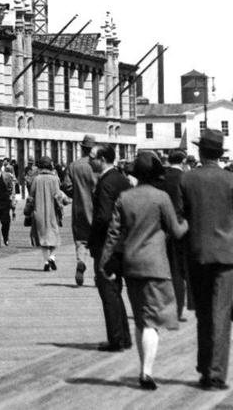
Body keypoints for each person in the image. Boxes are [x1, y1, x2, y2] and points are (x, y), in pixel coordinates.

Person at [180, 125, 233, 392]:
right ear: (219, 154)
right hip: (225, 256)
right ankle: (215, 374)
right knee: (220, 314)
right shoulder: (232, 180)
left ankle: (204, 368)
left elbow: (180, 219)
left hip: (196, 254)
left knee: (203, 314)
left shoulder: (187, 179)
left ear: (200, 152)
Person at [101, 150, 188, 391]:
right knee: (151, 321)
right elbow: (177, 230)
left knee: (140, 318)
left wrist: (105, 263)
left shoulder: (125, 198)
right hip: (156, 264)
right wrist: (186, 222)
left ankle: (143, 367)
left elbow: (113, 234)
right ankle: (146, 372)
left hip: (131, 264)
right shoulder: (161, 198)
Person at [89, 145, 133, 353]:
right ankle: (124, 335)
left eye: (92, 158)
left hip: (106, 245)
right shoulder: (122, 179)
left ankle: (116, 338)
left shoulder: (106, 183)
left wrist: (93, 237)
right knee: (116, 290)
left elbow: (104, 217)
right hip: (123, 243)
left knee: (108, 291)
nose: (90, 161)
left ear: (103, 159)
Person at [156, 151, 191, 320]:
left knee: (163, 269)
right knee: (178, 271)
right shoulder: (185, 178)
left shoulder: (161, 178)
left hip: (161, 228)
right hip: (180, 228)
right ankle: (179, 308)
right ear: (183, 161)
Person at [65, 134, 97, 287]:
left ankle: (81, 262)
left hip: (79, 208)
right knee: (99, 241)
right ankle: (98, 274)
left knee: (81, 241)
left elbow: (67, 187)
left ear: (82, 148)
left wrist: (77, 193)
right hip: (97, 209)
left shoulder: (73, 166)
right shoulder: (97, 166)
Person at [27, 155, 64, 272]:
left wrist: (28, 211)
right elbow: (58, 197)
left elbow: (31, 197)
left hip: (39, 212)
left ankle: (46, 260)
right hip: (52, 212)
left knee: (42, 239)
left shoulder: (36, 179)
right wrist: (61, 209)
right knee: (55, 238)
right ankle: (52, 257)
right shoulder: (55, 179)